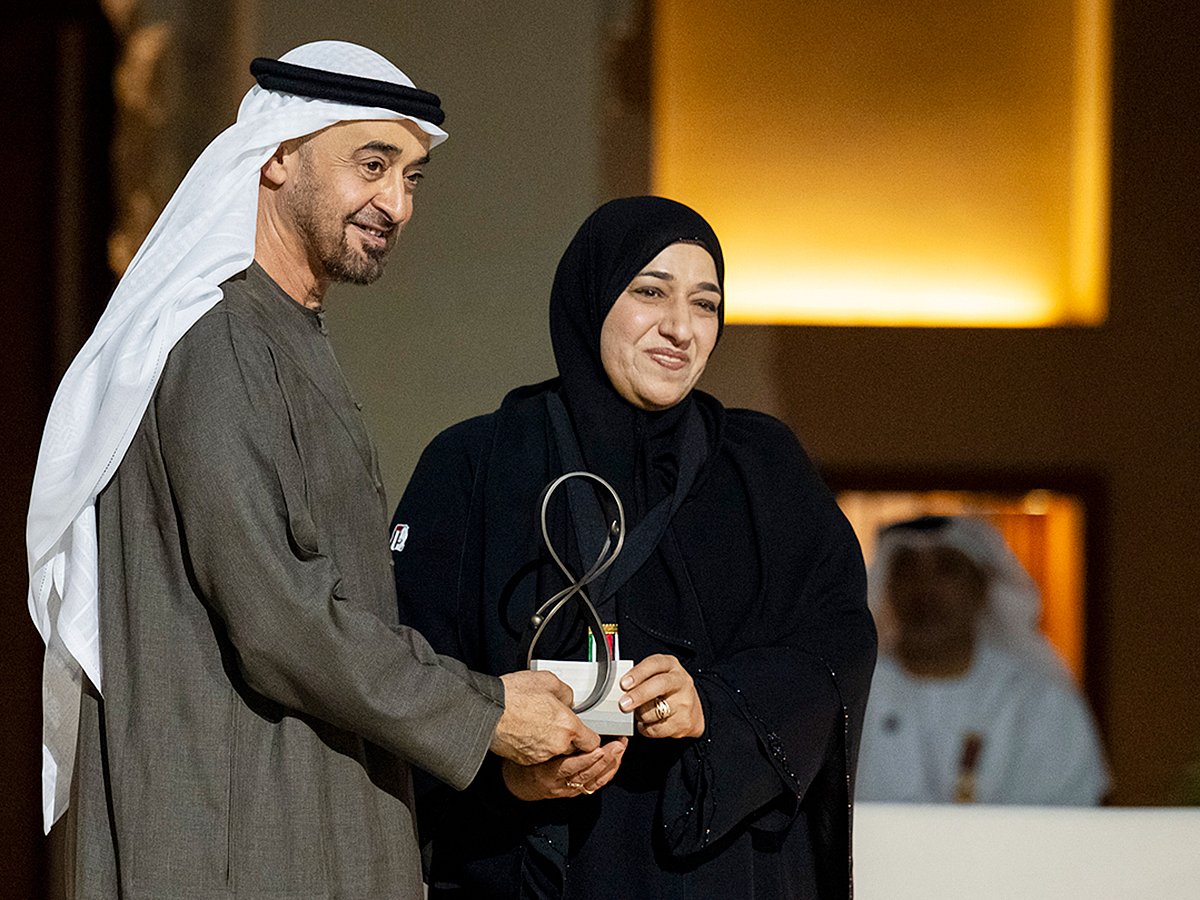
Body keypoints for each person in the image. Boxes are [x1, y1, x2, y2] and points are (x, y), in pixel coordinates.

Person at [25, 41, 598, 898]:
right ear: (280, 156)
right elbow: (279, 619)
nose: (396, 202)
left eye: (410, 178)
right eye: (372, 164)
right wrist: (484, 712)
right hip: (237, 835)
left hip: (300, 814)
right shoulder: (216, 343)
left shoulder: (281, 333)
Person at [390, 196, 878, 898]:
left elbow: (836, 642)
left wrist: (715, 706)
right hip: (529, 862)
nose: (680, 327)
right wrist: (507, 773)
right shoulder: (479, 463)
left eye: (705, 304)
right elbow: (405, 669)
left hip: (721, 872)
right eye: (650, 292)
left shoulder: (762, 469)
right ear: (591, 298)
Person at [855, 515, 1109, 805]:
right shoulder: (855, 694)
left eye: (947, 569)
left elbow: (1070, 819)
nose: (925, 590)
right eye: (907, 570)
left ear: (981, 586)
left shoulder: (1039, 700)